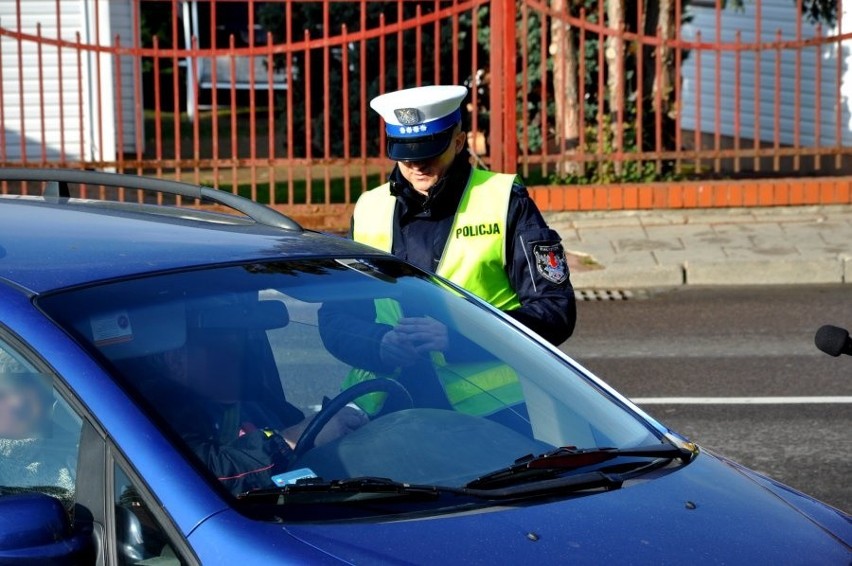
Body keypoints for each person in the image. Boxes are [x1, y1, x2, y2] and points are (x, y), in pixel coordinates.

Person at [352, 84, 576, 346]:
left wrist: (461, 339)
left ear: (458, 143)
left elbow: (554, 309)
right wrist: (379, 344)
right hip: (390, 385)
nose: (417, 165)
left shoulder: (504, 199)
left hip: (486, 386)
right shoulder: (369, 207)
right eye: (406, 156)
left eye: (429, 152)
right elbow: (340, 316)